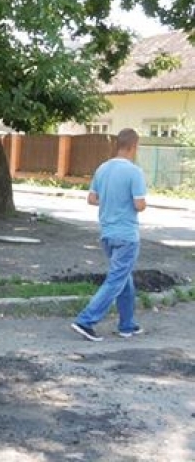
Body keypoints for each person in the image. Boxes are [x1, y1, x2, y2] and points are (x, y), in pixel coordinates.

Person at [71, 128, 148, 342]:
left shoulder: (102, 168)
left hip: (107, 233)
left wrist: (111, 201)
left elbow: (92, 199)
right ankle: (86, 321)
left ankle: (127, 325)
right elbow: (139, 204)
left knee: (125, 278)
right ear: (134, 146)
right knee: (116, 279)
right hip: (127, 235)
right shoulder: (134, 172)